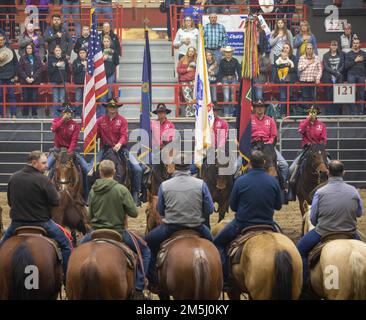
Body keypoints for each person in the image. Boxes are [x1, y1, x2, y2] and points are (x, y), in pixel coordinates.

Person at [80, 159, 151, 300]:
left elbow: (90, 215)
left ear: (100, 173)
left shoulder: (93, 190)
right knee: (145, 251)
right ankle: (139, 287)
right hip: (118, 232)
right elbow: (134, 213)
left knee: (77, 250)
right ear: (114, 172)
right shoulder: (121, 190)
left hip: (95, 233)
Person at [144, 153, 214, 286]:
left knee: (146, 244)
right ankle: (223, 278)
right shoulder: (201, 184)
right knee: (215, 246)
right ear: (190, 167)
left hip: (171, 227)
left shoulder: (165, 185)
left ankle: (152, 279)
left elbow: (160, 210)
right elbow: (209, 209)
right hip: (197, 226)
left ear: (175, 166)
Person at [0, 150, 72, 280]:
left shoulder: (14, 177)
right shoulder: (44, 180)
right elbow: (56, 201)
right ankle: (67, 279)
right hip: (42, 222)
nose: (46, 166)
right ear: (34, 163)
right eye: (43, 163)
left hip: (17, 223)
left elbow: (10, 202)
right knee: (66, 245)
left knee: (1, 246)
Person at [214, 150, 282, 285]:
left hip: (242, 224)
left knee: (218, 243)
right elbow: (278, 206)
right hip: (268, 223)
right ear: (264, 163)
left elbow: (233, 206)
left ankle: (225, 278)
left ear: (249, 163)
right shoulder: (273, 181)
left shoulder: (240, 181)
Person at [296, 160, 363, 287]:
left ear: (328, 173)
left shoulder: (320, 193)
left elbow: (313, 217)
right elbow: (359, 213)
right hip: (350, 232)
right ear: (343, 173)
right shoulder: (354, 191)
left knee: (300, 250)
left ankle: (305, 285)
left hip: (323, 232)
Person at [91, 98, 144, 206]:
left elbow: (124, 135)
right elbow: (96, 135)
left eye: (114, 107)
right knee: (90, 169)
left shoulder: (122, 120)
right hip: (105, 149)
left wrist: (119, 144)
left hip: (121, 149)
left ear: (117, 108)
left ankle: (136, 193)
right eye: (110, 106)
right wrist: (91, 138)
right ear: (107, 108)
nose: (112, 109)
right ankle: (90, 195)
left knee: (137, 169)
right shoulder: (100, 121)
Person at [47, 103, 89, 201]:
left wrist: (69, 152)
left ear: (72, 114)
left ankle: (86, 196)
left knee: (86, 169)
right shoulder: (56, 121)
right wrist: (62, 120)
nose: (67, 114)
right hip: (57, 150)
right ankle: (47, 194)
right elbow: (53, 129)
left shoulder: (75, 125)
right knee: (46, 167)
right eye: (65, 112)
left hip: (71, 151)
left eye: (69, 112)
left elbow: (74, 140)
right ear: (61, 113)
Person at [251, 100, 289, 198]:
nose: (260, 108)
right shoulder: (249, 119)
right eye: (257, 106)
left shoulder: (270, 120)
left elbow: (273, 135)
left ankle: (283, 187)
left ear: (265, 108)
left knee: (284, 165)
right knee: (237, 165)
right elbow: (246, 134)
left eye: (262, 106)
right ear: (254, 108)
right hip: (253, 146)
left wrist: (270, 143)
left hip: (268, 147)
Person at [288, 106, 327, 201]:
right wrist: (307, 120)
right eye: (311, 112)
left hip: (319, 150)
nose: (313, 114)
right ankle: (291, 193)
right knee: (291, 168)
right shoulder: (304, 123)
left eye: (314, 112)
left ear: (317, 113)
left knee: (331, 165)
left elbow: (324, 139)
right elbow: (300, 130)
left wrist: (319, 146)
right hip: (306, 149)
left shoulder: (321, 125)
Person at [17, 43, 43, 118]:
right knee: (25, 97)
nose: (28, 50)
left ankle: (34, 113)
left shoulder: (37, 57)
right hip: (25, 81)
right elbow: (20, 69)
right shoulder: (22, 58)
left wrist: (33, 78)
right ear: (25, 49)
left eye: (30, 48)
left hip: (35, 81)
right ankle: (25, 113)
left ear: (33, 49)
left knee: (34, 97)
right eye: (27, 48)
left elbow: (40, 68)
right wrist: (26, 78)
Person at [298, 43, 322, 113]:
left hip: (313, 81)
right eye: (308, 49)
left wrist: (318, 78)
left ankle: (313, 114)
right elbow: (299, 68)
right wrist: (308, 63)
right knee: (305, 97)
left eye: (310, 49)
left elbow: (320, 70)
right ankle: (306, 114)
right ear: (305, 50)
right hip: (304, 81)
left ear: (313, 50)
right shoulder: (301, 58)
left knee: (313, 98)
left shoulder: (317, 58)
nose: (309, 50)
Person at [217, 46, 241, 117]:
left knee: (232, 97)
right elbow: (220, 72)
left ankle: (231, 113)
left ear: (232, 53)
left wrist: (239, 80)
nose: (228, 54)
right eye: (227, 52)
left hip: (233, 79)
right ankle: (226, 114)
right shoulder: (222, 61)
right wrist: (219, 81)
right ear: (224, 53)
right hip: (225, 79)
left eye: (229, 52)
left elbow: (239, 71)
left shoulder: (235, 60)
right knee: (226, 97)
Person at [322, 40, 344, 115]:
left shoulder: (341, 55)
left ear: (337, 46)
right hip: (328, 77)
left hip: (338, 77)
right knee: (328, 95)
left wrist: (337, 73)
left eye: (335, 45)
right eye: (332, 45)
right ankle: (329, 112)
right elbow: (326, 66)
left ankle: (337, 113)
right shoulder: (325, 55)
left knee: (337, 95)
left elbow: (343, 65)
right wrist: (334, 73)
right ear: (330, 46)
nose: (334, 46)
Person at [345, 38, 366, 115]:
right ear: (352, 44)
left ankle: (360, 112)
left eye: (357, 43)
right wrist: (355, 61)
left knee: (361, 94)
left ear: (359, 44)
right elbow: (346, 66)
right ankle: (353, 112)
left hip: (361, 75)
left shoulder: (364, 54)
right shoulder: (348, 54)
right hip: (351, 75)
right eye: (354, 43)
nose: (355, 44)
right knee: (351, 95)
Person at [48, 45, 70, 117]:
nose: (58, 52)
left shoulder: (65, 59)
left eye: (59, 50)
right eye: (56, 50)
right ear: (54, 52)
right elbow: (50, 71)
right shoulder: (51, 59)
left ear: (61, 51)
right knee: (56, 99)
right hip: (54, 81)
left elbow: (68, 70)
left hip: (63, 81)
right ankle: (56, 115)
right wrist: (56, 65)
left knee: (62, 99)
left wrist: (67, 80)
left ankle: (62, 115)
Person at [0, 34, 18, 118]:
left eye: (2, 40)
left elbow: (15, 63)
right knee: (0, 96)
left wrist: (15, 75)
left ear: (4, 40)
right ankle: (1, 114)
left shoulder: (10, 49)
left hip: (10, 77)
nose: (1, 41)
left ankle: (13, 114)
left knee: (12, 96)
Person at [275, 46, 295, 117]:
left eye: (287, 48)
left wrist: (284, 67)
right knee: (283, 97)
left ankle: (290, 113)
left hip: (290, 81)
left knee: (289, 97)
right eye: (284, 48)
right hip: (282, 81)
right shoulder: (279, 58)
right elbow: (276, 67)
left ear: (290, 49)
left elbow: (294, 69)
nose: (285, 49)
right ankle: (282, 113)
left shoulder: (293, 58)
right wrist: (285, 65)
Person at [177, 46, 197, 117]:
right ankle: (192, 112)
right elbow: (178, 70)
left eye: (192, 51)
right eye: (189, 51)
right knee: (188, 98)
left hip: (193, 81)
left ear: (194, 52)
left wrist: (196, 79)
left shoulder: (197, 60)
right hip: (184, 81)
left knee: (193, 98)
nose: (191, 52)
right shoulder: (182, 59)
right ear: (187, 52)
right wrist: (186, 70)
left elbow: (198, 72)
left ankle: (190, 113)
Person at [101, 35, 119, 101]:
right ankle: (102, 110)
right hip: (102, 74)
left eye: (107, 41)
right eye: (104, 41)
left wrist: (112, 54)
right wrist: (102, 59)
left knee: (109, 93)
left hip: (111, 73)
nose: (106, 42)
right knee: (102, 93)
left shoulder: (114, 51)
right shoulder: (99, 51)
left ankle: (109, 109)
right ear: (102, 42)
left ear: (110, 42)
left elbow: (117, 62)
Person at [72, 48, 87, 117]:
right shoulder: (75, 61)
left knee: (86, 100)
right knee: (78, 100)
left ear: (86, 54)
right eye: (80, 53)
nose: (82, 54)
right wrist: (82, 65)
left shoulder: (89, 61)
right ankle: (77, 114)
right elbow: (74, 72)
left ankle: (86, 114)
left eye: (83, 52)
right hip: (78, 84)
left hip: (87, 84)